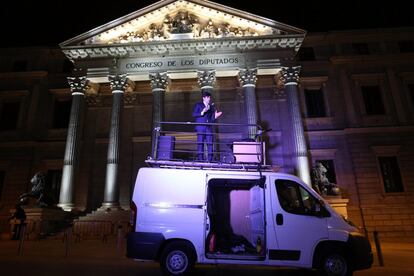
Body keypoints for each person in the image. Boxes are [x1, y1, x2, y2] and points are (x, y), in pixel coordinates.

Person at [192, 91, 223, 161]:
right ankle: (200, 160)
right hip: (200, 127)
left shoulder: (211, 107)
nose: (209, 99)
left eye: (209, 97)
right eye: (207, 97)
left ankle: (210, 160)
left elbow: (211, 118)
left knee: (210, 143)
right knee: (200, 144)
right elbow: (194, 114)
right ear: (203, 98)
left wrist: (215, 116)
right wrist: (202, 112)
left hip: (208, 127)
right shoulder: (198, 105)